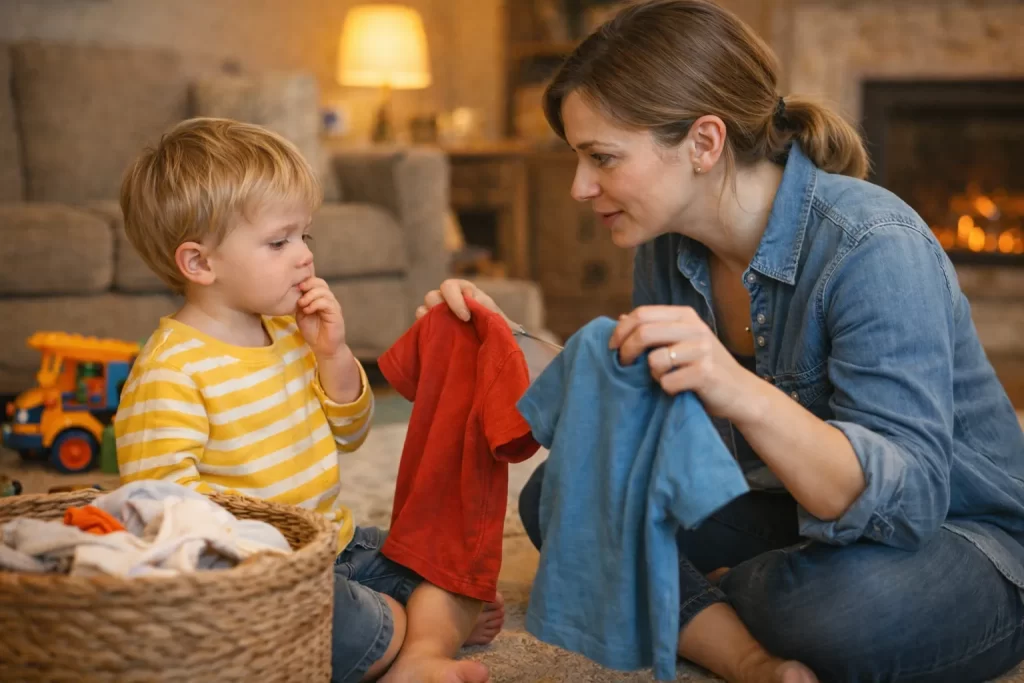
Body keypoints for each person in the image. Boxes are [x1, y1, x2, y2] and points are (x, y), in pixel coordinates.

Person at [417, 1, 1024, 681]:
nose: (581, 187)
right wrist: (505, 341)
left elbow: (908, 506)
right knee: (558, 492)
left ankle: (696, 594)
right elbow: (635, 424)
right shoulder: (667, 244)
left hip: (963, 539)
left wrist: (735, 388)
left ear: (705, 143)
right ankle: (749, 657)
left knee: (837, 611)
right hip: (788, 510)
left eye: (602, 158)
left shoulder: (872, 245)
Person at [114, 117, 502, 683]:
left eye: (304, 237)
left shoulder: (291, 332)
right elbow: (164, 512)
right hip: (261, 577)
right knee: (375, 620)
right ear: (199, 264)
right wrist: (272, 566)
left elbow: (351, 432)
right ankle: (416, 642)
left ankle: (412, 647)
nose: (303, 257)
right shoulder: (171, 369)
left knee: (450, 559)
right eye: (279, 242)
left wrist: (333, 355)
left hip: (335, 540)